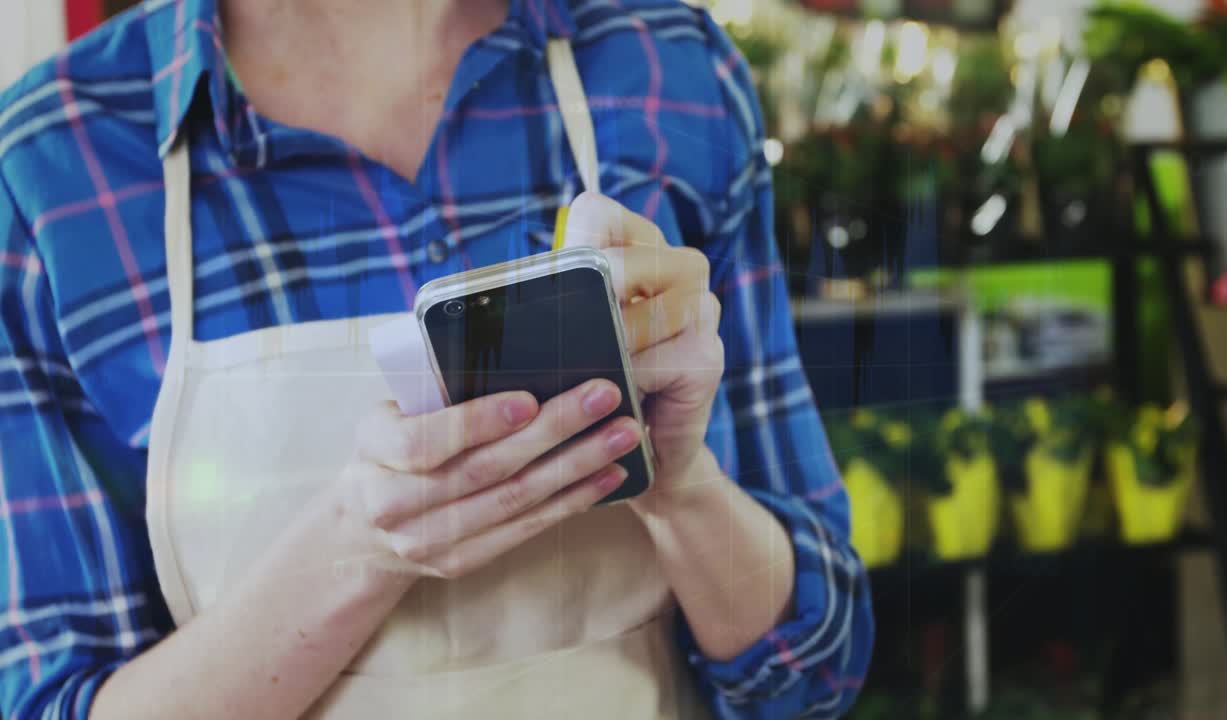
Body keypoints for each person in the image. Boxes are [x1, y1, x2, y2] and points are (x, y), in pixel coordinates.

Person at [0, 0, 873, 717]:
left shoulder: (665, 70)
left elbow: (815, 668)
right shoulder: (51, 162)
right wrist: (360, 552)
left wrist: (684, 490)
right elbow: (52, 700)